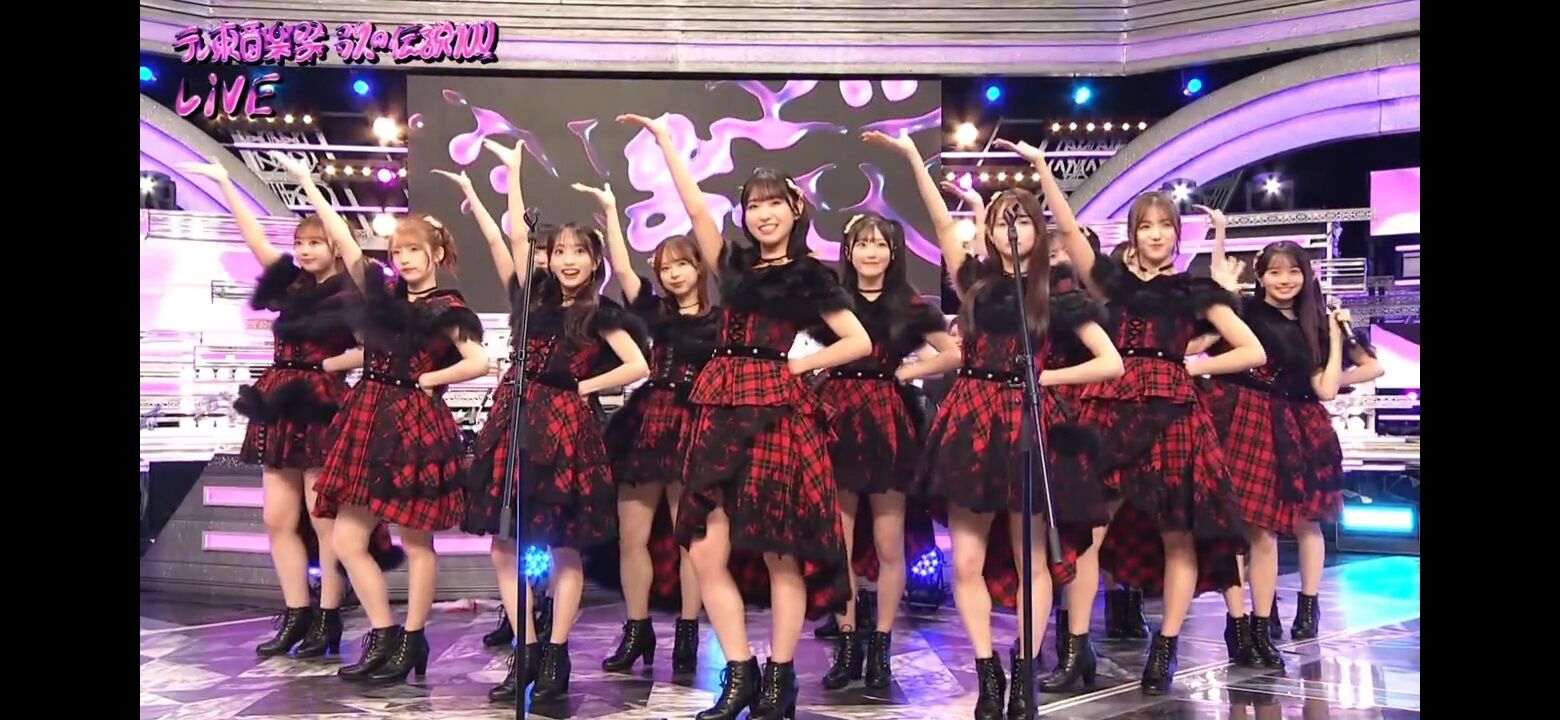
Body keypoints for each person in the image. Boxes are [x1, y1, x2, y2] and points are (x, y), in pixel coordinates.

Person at [617, 112, 872, 720]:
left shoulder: (810, 276)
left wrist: (795, 367)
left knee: (781, 551)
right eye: (754, 206)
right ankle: (741, 671)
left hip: (775, 410)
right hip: (718, 404)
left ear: (795, 209)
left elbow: (857, 341)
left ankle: (780, 678)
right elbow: (696, 210)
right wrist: (666, 142)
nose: (763, 214)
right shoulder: (732, 267)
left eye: (774, 203)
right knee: (706, 551)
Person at [279, 149, 490, 685]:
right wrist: (307, 183)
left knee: (416, 541)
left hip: (413, 423)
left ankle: (412, 639)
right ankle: (385, 632)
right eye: (398, 251)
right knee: (348, 540)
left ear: (436, 253)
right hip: (369, 415)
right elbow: (347, 243)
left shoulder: (448, 307)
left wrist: (431, 380)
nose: (405, 259)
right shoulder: (383, 296)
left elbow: (479, 361)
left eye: (414, 250)